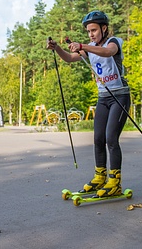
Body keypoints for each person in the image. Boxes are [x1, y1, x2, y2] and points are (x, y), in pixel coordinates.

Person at [46, 10, 130, 197]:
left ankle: (115, 182)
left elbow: (108, 53)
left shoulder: (113, 42)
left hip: (119, 96)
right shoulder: (90, 47)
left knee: (111, 138)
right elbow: (69, 58)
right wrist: (57, 48)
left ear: (104, 28)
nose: (91, 34)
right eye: (88, 31)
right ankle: (100, 177)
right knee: (98, 138)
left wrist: (83, 45)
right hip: (103, 98)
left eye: (93, 30)